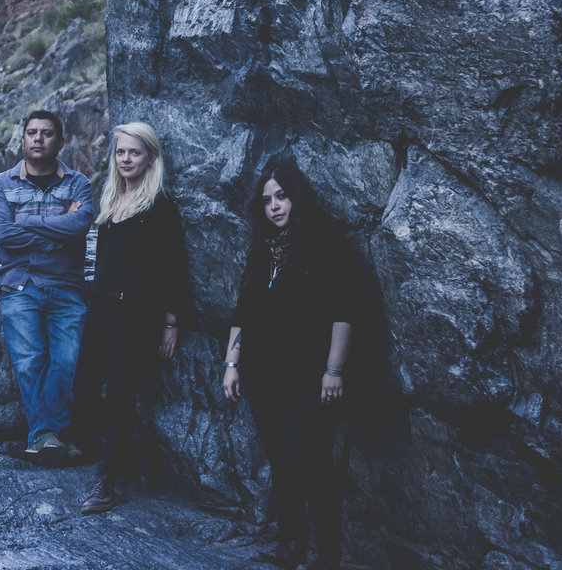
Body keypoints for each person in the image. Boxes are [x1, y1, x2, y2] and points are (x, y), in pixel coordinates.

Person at [222, 159, 358, 570]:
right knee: (281, 462)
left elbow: (344, 311)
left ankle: (328, 556)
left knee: (311, 463)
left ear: (296, 197)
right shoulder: (263, 248)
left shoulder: (324, 243)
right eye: (267, 201)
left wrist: (333, 371)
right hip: (263, 373)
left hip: (307, 375)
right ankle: (291, 546)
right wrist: (232, 363)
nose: (275, 207)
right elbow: (243, 311)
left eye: (281, 196)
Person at [72, 122, 192, 515]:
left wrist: (171, 323)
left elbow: (174, 266)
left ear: (150, 157)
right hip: (101, 307)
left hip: (137, 312)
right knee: (85, 383)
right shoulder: (110, 199)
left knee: (121, 394)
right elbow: (104, 259)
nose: (126, 159)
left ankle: (109, 481)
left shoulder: (159, 206)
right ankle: (99, 454)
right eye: (121, 152)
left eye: (134, 152)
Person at [0, 110, 94, 467]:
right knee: (30, 361)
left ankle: (46, 436)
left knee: (69, 360)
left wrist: (28, 223)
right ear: (23, 139)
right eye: (31, 132)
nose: (38, 139)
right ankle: (53, 436)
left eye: (46, 133)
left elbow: (79, 227)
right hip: (20, 283)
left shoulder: (78, 184)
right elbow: (3, 235)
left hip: (66, 285)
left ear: (60, 141)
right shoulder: (1, 184)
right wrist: (59, 224)